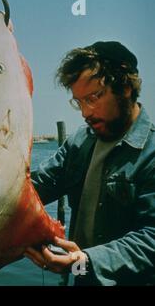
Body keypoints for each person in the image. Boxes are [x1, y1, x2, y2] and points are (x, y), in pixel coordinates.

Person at [25, 41, 155, 285]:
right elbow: (35, 189)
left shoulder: (151, 153)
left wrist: (84, 260)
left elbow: (151, 240)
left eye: (94, 97)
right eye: (79, 101)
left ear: (125, 87)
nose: (85, 112)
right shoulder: (80, 143)